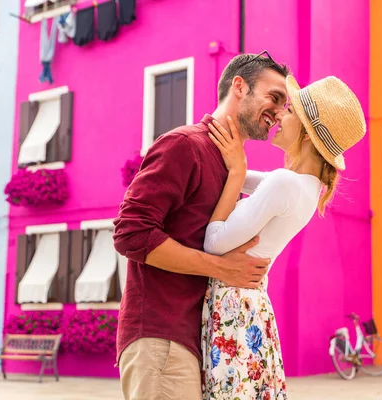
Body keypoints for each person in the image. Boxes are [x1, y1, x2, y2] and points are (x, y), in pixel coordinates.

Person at [112, 51, 290, 400]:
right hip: (162, 339)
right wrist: (224, 269)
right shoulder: (185, 146)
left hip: (195, 341)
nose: (280, 112)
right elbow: (130, 233)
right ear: (240, 87)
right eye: (275, 97)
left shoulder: (229, 166)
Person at [200, 75, 367, 399]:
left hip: (232, 306)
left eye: (289, 111)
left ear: (307, 134)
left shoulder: (284, 183)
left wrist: (234, 173)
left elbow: (213, 243)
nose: (279, 115)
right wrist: (233, 168)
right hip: (253, 306)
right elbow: (242, 177)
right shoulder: (306, 187)